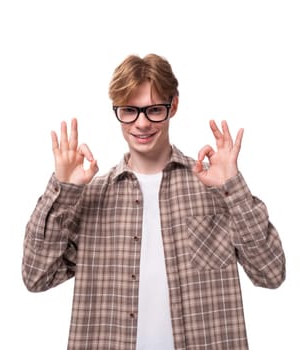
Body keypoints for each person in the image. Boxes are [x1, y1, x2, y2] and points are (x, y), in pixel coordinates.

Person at [22, 53, 286, 350]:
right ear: (117, 111)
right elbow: (36, 277)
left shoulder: (214, 190)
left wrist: (232, 186)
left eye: (154, 110)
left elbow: (271, 273)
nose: (142, 123)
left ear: (173, 105)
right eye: (130, 111)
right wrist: (65, 190)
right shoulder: (92, 198)